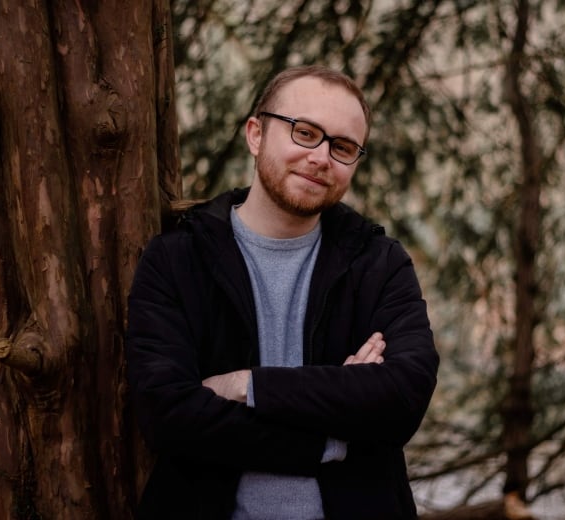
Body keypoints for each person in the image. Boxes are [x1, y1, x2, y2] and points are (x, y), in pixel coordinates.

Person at [126, 64, 439, 519]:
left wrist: (247, 385)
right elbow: (168, 417)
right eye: (305, 132)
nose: (321, 157)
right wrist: (333, 436)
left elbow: (402, 398)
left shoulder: (379, 263)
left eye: (343, 147)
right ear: (256, 134)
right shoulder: (178, 260)